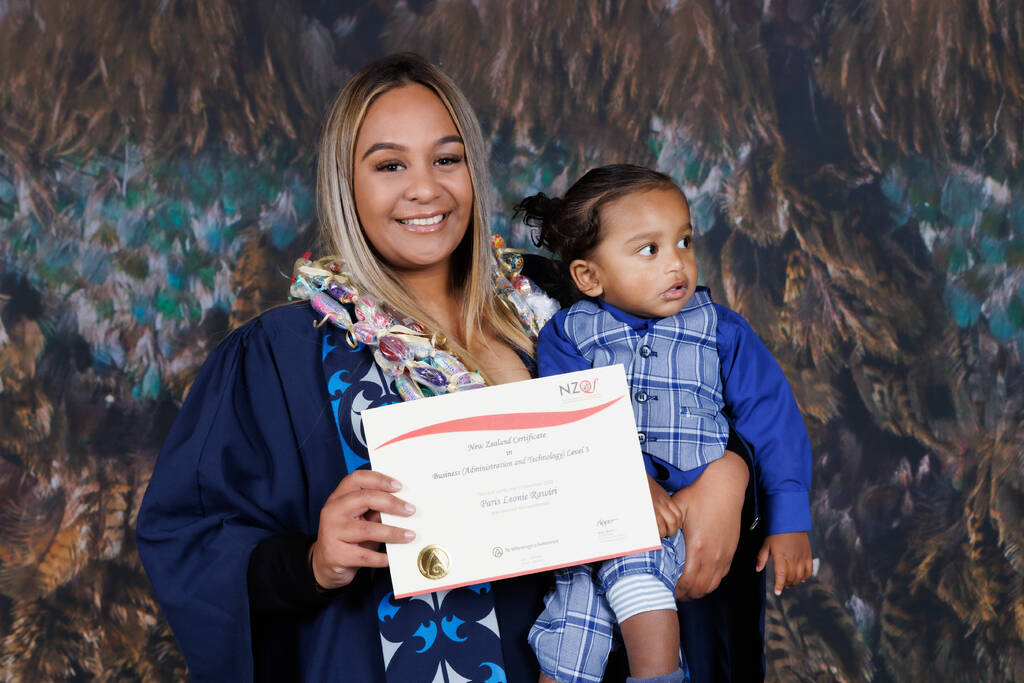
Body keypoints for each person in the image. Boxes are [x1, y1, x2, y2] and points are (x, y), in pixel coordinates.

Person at [135, 54, 751, 682]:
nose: (425, 188)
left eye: (447, 159)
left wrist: (728, 474)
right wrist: (316, 560)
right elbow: (187, 541)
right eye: (390, 165)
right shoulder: (282, 355)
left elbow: (706, 396)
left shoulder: (565, 299)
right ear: (346, 184)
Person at [517, 165, 813, 683]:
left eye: (683, 241)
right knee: (571, 627)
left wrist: (788, 518)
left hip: (687, 521)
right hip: (603, 521)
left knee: (639, 583)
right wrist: (627, 479)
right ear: (589, 276)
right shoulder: (569, 336)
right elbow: (566, 422)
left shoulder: (719, 329)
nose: (677, 263)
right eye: (649, 250)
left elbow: (772, 418)